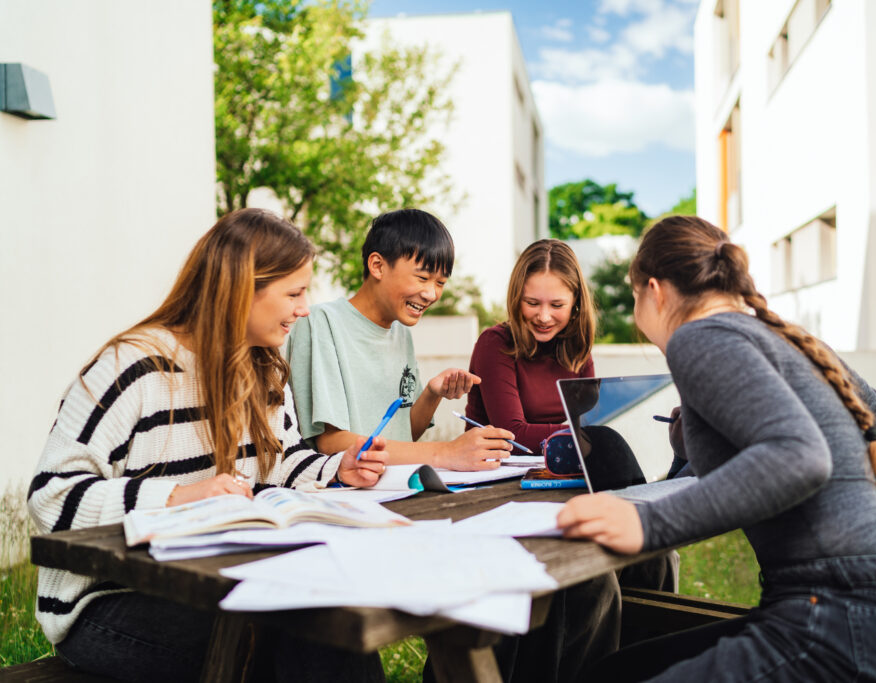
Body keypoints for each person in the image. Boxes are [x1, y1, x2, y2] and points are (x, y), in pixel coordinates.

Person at [558, 216, 876, 682]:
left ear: (654, 290)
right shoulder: (790, 340)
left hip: (841, 629)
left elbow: (800, 456)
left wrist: (647, 523)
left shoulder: (698, 336)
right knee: (617, 672)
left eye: (633, 297)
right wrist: (695, 449)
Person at [28, 209, 389, 683]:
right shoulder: (133, 367)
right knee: (299, 633)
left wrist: (336, 469)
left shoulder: (261, 366)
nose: (305, 309)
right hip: (108, 603)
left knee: (331, 621)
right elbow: (50, 497)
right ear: (242, 290)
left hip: (219, 575)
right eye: (294, 293)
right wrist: (176, 498)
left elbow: (279, 462)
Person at [286, 208, 515, 470]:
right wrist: (446, 452)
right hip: (342, 493)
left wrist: (431, 392)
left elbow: (404, 435)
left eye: (440, 283)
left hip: (396, 488)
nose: (431, 293)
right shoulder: (320, 322)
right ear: (377, 266)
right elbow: (330, 442)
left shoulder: (401, 333)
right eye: (423, 278)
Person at [465, 239, 596, 454]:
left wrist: (589, 434)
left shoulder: (578, 350)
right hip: (495, 474)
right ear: (516, 299)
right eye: (532, 303)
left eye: (557, 305)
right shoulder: (495, 343)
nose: (544, 317)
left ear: (576, 304)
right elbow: (512, 434)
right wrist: (587, 435)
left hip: (558, 470)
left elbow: (589, 428)